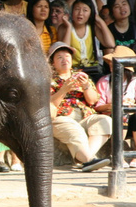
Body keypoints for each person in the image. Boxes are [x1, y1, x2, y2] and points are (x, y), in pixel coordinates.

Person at [48, 42, 113, 172]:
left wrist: (86, 87)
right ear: (53, 63)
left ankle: (86, 159)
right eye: (59, 57)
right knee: (75, 130)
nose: (64, 59)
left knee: (105, 121)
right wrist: (63, 90)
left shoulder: (81, 76)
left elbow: (93, 100)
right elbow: (48, 104)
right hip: (62, 118)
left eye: (67, 56)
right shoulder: (49, 79)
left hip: (85, 115)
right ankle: (89, 159)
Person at [94, 46, 136, 168]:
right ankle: (118, 155)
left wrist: (130, 105)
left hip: (133, 117)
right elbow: (98, 107)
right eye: (110, 62)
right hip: (112, 117)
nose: (111, 65)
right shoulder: (104, 81)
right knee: (121, 114)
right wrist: (114, 106)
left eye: (114, 62)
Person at [56, 0, 114, 81]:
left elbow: (110, 44)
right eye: (77, 9)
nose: (80, 13)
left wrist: (100, 21)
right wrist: (68, 27)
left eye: (85, 10)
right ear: (72, 12)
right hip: (72, 71)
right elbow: (64, 50)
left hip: (92, 70)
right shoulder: (63, 27)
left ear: (91, 13)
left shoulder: (92, 27)